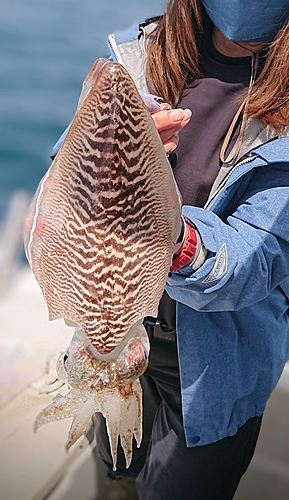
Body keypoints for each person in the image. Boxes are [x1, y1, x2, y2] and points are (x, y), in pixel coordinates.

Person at [53, 1, 289, 498]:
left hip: (219, 365)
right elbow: (65, 168)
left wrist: (172, 235)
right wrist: (98, 154)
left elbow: (257, 260)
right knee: (113, 467)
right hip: (116, 331)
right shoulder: (141, 55)